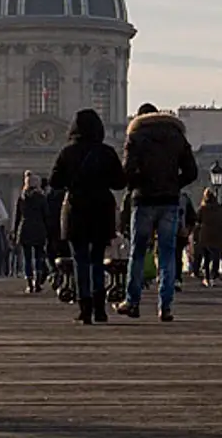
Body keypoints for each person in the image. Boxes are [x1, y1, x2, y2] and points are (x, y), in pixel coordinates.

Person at [120, 102, 197, 321]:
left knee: (137, 253)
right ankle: (165, 306)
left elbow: (127, 171)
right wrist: (174, 185)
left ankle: (132, 302)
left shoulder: (135, 136)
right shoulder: (176, 136)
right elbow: (191, 171)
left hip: (143, 200)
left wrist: (137, 185)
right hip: (169, 201)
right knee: (167, 254)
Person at [49, 108, 126, 324]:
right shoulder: (107, 152)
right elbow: (119, 183)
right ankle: (100, 308)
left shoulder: (67, 153)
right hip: (101, 210)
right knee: (97, 261)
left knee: (80, 261)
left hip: (76, 210)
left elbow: (55, 182)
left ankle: (84, 308)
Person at [13, 171, 50, 294]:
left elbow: (17, 217)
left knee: (27, 259)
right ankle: (38, 283)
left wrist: (15, 231)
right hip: (39, 229)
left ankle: (29, 283)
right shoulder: (41, 198)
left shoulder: (22, 198)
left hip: (25, 229)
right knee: (38, 257)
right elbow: (46, 216)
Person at [194, 188, 222, 285]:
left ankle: (207, 278)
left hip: (205, 234)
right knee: (216, 255)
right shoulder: (220, 207)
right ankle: (213, 276)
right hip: (218, 233)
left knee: (206, 257)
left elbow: (197, 220)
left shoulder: (202, 208)